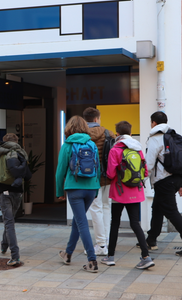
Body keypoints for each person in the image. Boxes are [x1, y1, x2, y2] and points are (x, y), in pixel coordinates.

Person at [145, 111, 182, 256]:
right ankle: (151, 240)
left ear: (154, 123)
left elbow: (149, 164)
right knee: (157, 208)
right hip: (177, 179)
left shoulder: (156, 139)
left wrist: (140, 179)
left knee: (171, 211)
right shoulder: (175, 137)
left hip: (164, 181)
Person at [101, 121, 155, 269]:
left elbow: (111, 174)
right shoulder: (137, 149)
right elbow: (144, 172)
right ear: (131, 134)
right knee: (134, 224)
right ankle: (146, 256)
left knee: (115, 223)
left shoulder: (115, 149)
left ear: (117, 134)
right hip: (135, 192)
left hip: (119, 192)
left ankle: (110, 257)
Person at [56, 115, 101, 273]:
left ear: (69, 128)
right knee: (77, 220)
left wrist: (59, 192)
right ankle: (67, 254)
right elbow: (98, 169)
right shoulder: (92, 144)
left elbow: (60, 171)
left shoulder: (67, 145)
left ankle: (92, 260)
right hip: (91, 188)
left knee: (82, 223)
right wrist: (96, 190)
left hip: (74, 189)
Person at [0, 133, 32, 266]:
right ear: (17, 141)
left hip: (4, 192)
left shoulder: (0, 154)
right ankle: (4, 245)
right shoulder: (21, 153)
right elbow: (28, 175)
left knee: (9, 223)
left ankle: (15, 256)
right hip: (17, 193)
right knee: (10, 221)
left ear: (5, 142)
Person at [83, 107, 115, 256]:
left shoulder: (81, 135)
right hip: (108, 176)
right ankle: (105, 242)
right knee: (106, 206)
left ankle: (101, 244)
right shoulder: (108, 133)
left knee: (95, 209)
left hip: (91, 177)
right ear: (97, 119)